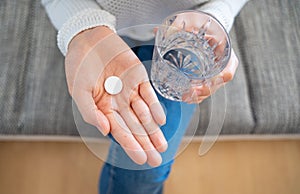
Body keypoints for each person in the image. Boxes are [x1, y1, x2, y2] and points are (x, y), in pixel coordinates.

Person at [41, 0, 248, 193]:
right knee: (138, 162)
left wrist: (217, 15)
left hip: (187, 34)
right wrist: (83, 30)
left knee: (145, 170)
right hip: (97, 22)